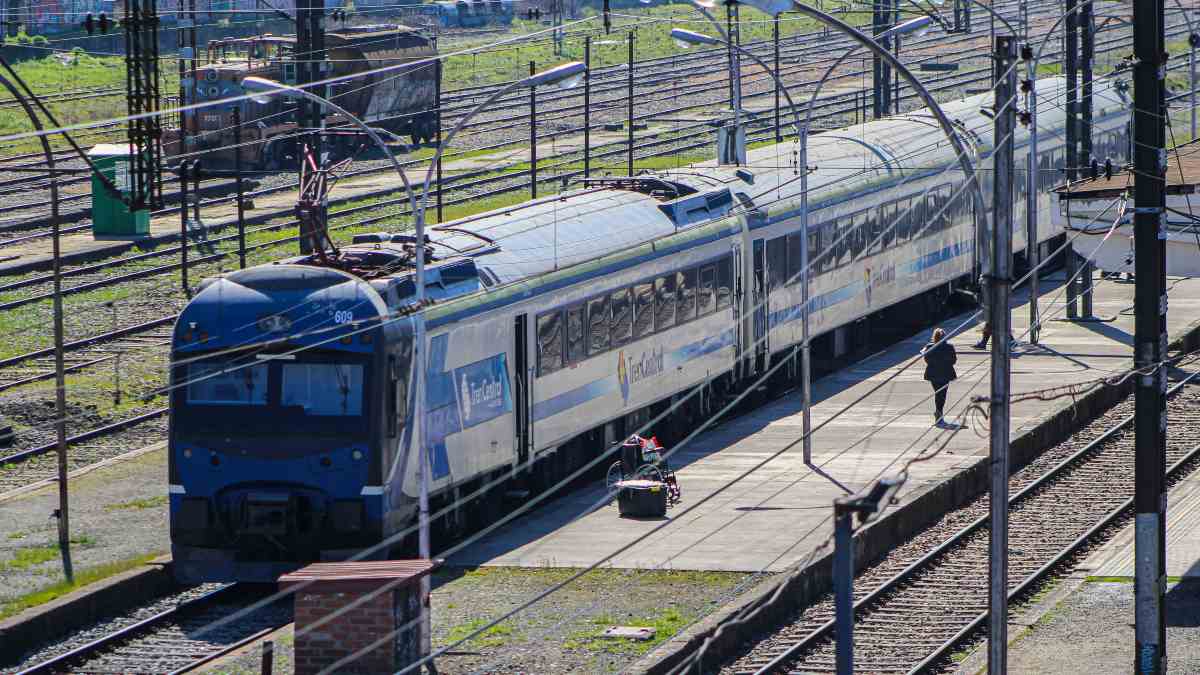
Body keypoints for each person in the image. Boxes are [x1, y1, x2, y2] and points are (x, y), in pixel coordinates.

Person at [922, 327, 957, 427]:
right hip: (946, 374)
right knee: (942, 394)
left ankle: (938, 413)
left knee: (938, 393)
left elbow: (927, 360)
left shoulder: (929, 346)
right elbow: (954, 360)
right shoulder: (950, 347)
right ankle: (939, 412)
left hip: (933, 374)